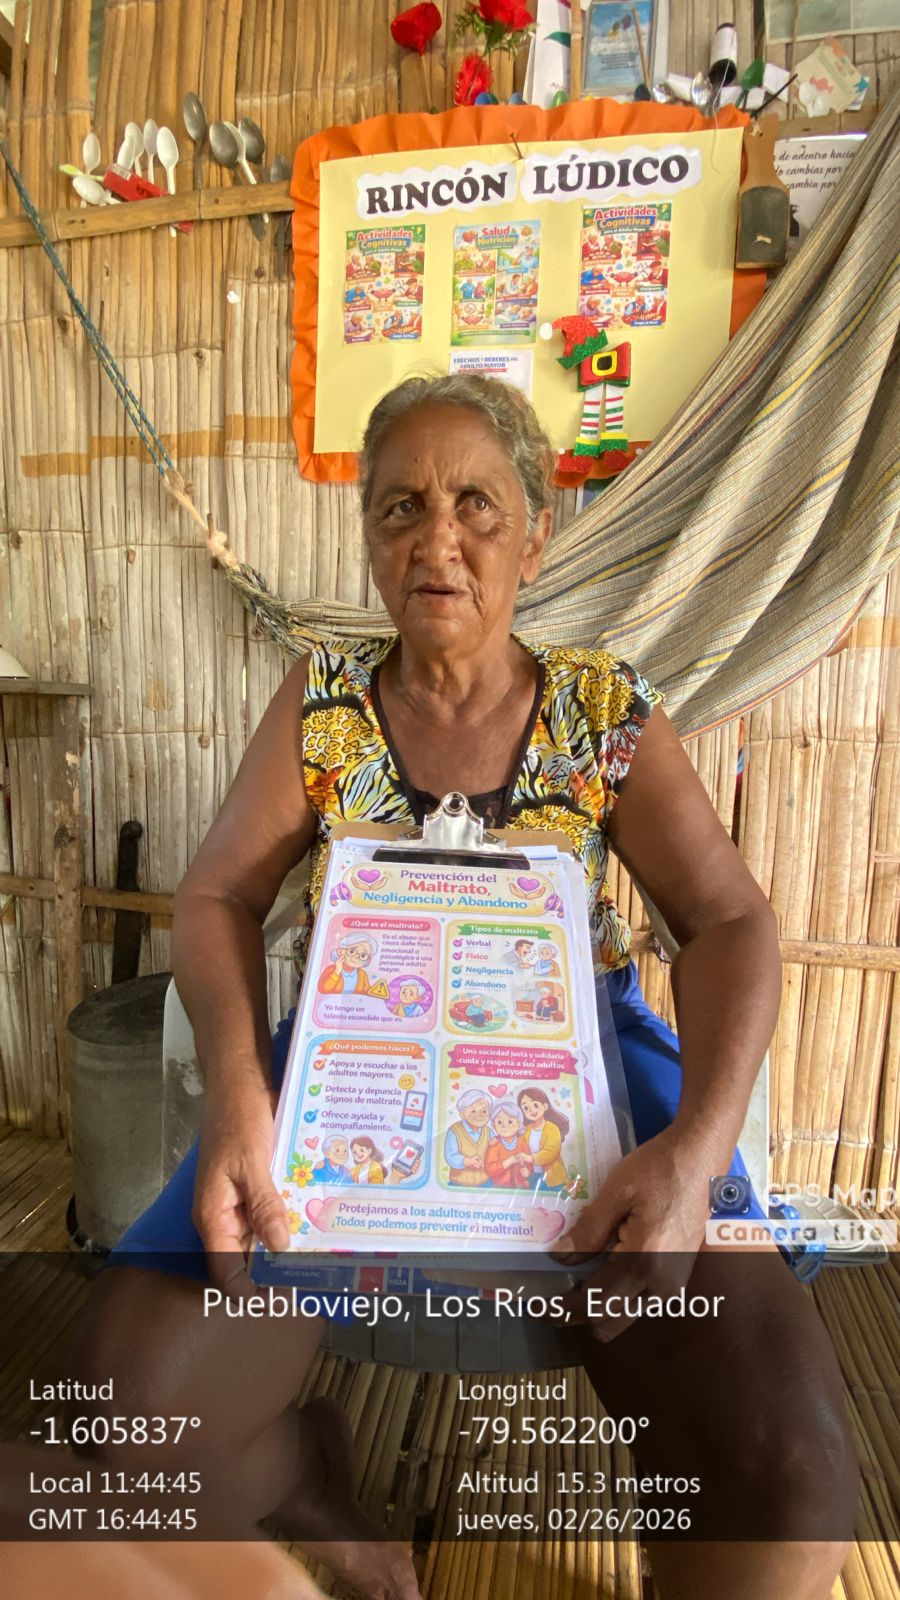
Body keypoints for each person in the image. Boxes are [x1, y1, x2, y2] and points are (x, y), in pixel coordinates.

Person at [71, 373, 857, 1600]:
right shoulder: (325, 704)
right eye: (401, 507)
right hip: (350, 1072)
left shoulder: (600, 709)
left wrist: (696, 1152)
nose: (437, 537)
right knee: (131, 1431)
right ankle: (312, 1482)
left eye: (476, 504)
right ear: (369, 538)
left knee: (793, 1493)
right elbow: (219, 891)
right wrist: (237, 1094)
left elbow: (729, 919)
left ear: (534, 538)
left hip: (587, 1068)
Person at [518, 1087, 570, 1189]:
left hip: (552, 1177)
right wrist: (524, 1168)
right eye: (526, 1108)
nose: (531, 1110)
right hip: (532, 1175)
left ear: (545, 1106)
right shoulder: (525, 1131)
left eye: (535, 1105)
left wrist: (531, 1158)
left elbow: (551, 1151)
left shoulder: (552, 1129)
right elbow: (520, 1150)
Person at [442, 1089, 492, 1186]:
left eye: (484, 1111)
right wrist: (466, 1161)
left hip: (486, 1182)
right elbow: (450, 1156)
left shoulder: (489, 1132)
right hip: (459, 1183)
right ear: (462, 1114)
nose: (480, 1115)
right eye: (473, 1111)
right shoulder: (454, 1131)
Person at [484, 1101, 532, 1187]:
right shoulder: (494, 1145)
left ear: (519, 1124)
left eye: (510, 1122)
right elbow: (490, 1169)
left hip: (521, 1186)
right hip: (501, 1187)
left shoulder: (522, 1142)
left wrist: (527, 1171)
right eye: (499, 1122)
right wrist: (509, 1161)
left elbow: (529, 1163)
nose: (504, 1126)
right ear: (494, 1126)